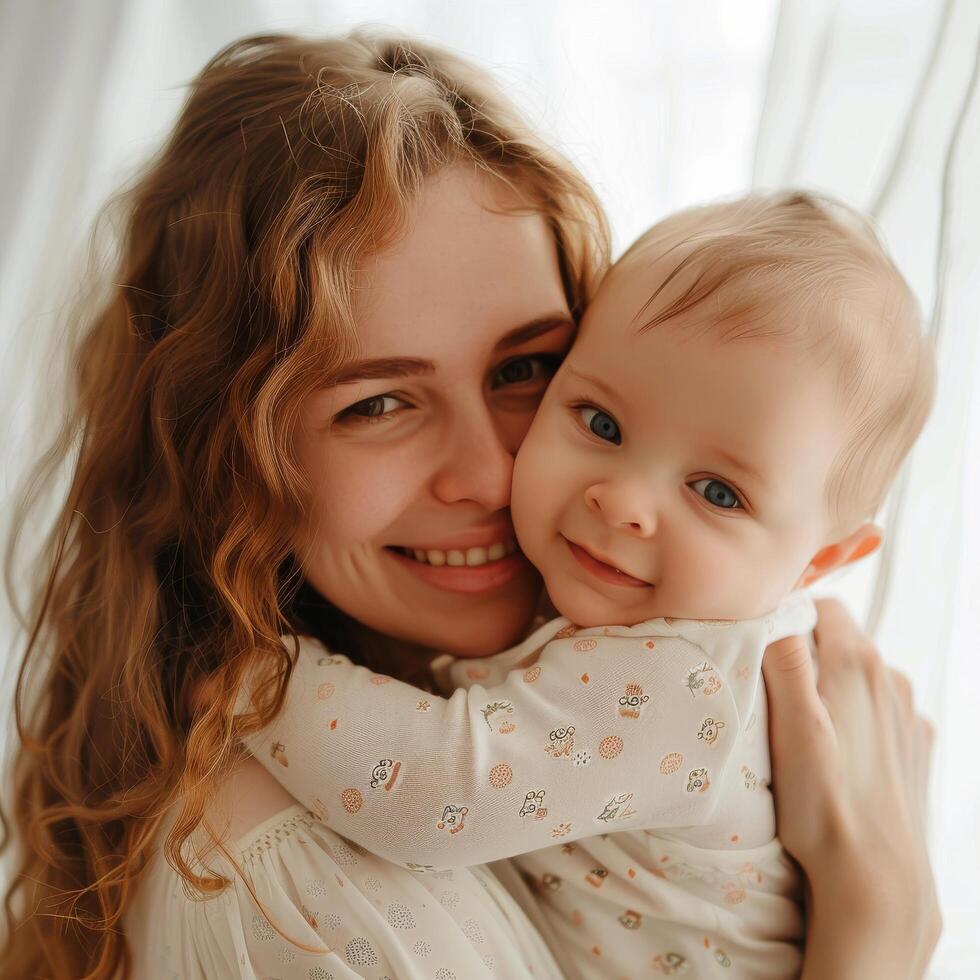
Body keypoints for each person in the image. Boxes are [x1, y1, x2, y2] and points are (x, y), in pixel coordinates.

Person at [0, 30, 940, 980]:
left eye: (525, 367)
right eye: (376, 403)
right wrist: (879, 934)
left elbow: (449, 778)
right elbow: (438, 781)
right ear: (223, 450)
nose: (495, 475)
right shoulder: (289, 887)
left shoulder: (696, 672)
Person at [232, 190, 935, 979]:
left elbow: (430, 793)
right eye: (601, 424)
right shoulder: (643, 608)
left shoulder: (686, 680)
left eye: (718, 493)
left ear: (821, 561)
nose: (624, 502)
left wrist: (246, 673)